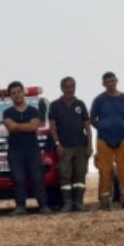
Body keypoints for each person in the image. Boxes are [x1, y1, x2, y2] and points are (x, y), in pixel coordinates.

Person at [2, 81, 50, 215]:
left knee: (38, 179)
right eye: (13, 93)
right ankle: (20, 206)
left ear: (23, 93)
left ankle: (43, 205)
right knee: (18, 179)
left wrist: (18, 126)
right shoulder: (7, 112)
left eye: (18, 92)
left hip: (33, 151)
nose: (16, 95)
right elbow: (11, 127)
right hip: (15, 152)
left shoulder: (33, 110)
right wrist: (25, 126)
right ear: (10, 96)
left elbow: (34, 126)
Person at [90, 72, 124, 210]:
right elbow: (92, 119)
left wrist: (121, 125)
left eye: (112, 81)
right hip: (104, 139)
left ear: (117, 81)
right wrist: (102, 127)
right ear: (103, 84)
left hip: (122, 138)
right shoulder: (98, 100)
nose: (110, 83)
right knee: (105, 170)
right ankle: (104, 202)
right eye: (107, 81)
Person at [48, 76, 92, 212]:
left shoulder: (80, 104)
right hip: (64, 147)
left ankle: (78, 203)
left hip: (81, 146)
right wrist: (57, 144)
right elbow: (52, 127)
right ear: (62, 88)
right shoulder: (55, 105)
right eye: (67, 87)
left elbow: (87, 126)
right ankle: (67, 203)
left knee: (80, 175)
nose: (70, 89)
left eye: (72, 86)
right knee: (65, 175)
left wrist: (90, 145)